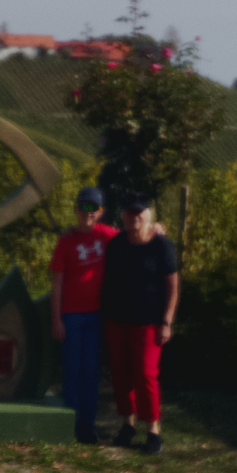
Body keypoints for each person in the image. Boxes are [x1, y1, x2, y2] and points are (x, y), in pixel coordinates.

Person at [101, 194, 179, 455]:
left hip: (149, 323)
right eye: (130, 213)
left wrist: (167, 321)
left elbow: (173, 287)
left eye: (139, 213)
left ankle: (153, 430)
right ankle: (128, 425)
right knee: (121, 374)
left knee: (145, 375)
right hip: (117, 320)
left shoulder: (162, 245)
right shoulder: (116, 244)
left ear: (148, 215)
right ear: (123, 216)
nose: (134, 218)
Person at [48, 187, 117, 443]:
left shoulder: (107, 236)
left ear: (101, 212)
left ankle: (88, 424)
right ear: (76, 209)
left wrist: (156, 228)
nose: (88, 213)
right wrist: (56, 319)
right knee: (72, 370)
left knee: (90, 371)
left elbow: (135, 236)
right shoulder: (66, 241)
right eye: (83, 206)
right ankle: (70, 422)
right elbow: (57, 283)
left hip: (96, 316)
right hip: (72, 316)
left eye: (93, 208)